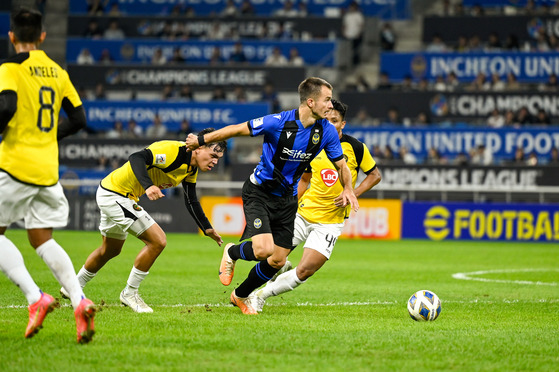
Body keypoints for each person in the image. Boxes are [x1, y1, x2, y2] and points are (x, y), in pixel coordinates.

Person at [185, 77, 359, 314]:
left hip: (287, 199)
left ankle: (240, 295)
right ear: (310, 101)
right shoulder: (278, 122)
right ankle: (232, 252)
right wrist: (201, 140)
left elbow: (341, 166)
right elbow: (236, 129)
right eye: (327, 100)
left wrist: (348, 188)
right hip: (259, 192)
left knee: (277, 260)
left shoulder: (326, 131)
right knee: (263, 250)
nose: (330, 105)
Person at [0, 7, 96, 343]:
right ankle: (79, 301)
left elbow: (7, 106)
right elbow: (80, 119)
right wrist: (48, 137)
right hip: (47, 169)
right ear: (41, 36)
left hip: (14, 165)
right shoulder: (57, 71)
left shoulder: (10, 67)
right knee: (42, 238)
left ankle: (34, 297)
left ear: (11, 37)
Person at [60, 128, 227, 313]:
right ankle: (130, 293)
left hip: (114, 193)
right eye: (213, 155)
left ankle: (72, 287)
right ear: (197, 148)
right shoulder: (174, 151)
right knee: (158, 241)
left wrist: (206, 227)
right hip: (116, 194)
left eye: (218, 158)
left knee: (110, 250)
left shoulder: (191, 168)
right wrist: (149, 186)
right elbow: (136, 157)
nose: (215, 161)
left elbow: (190, 199)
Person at [247, 100, 381, 312]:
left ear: (342, 124)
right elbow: (304, 180)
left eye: (334, 120)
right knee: (273, 256)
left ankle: (260, 295)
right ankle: (245, 291)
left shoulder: (356, 147)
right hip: (301, 214)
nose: (329, 123)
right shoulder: (312, 143)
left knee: (306, 270)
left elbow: (375, 175)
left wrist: (352, 192)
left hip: (331, 221)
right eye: (326, 119)